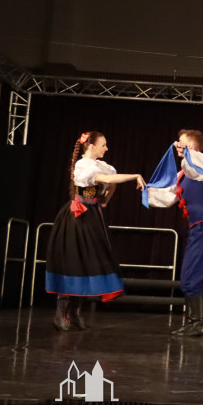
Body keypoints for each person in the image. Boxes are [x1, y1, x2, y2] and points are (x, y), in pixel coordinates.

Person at [45, 131, 145, 332]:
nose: (106, 148)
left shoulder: (102, 166)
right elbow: (106, 179)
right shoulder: (84, 166)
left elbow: (111, 183)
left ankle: (75, 311)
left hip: (92, 215)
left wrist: (104, 201)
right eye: (103, 145)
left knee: (90, 261)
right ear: (91, 146)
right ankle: (61, 312)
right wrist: (134, 175)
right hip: (77, 216)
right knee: (74, 260)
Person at [145, 129, 203, 337]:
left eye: (182, 142)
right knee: (187, 275)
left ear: (192, 146)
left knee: (194, 275)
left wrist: (187, 152)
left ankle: (199, 322)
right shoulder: (182, 174)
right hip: (197, 227)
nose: (177, 145)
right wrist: (147, 190)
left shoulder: (200, 161)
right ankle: (193, 321)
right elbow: (168, 197)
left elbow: (194, 165)